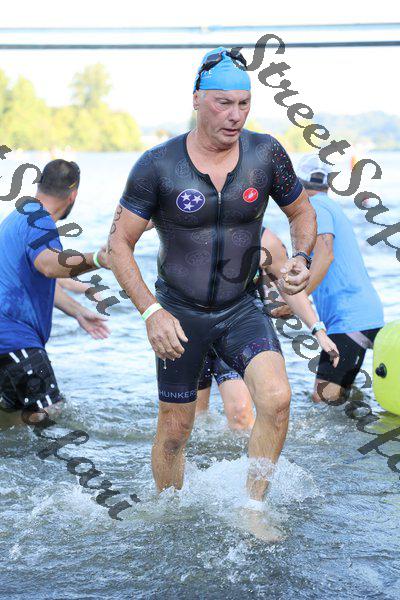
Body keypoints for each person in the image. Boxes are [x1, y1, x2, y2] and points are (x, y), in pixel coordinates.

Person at [108, 47, 317, 533]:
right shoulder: (157, 165)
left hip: (241, 307)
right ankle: (168, 518)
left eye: (244, 104)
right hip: (178, 315)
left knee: (277, 399)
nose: (235, 115)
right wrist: (151, 313)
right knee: (175, 432)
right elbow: (118, 244)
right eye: (224, 103)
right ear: (197, 100)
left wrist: (301, 259)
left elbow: (302, 212)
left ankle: (253, 509)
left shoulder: (266, 154)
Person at [196, 226, 339, 429]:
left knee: (240, 415)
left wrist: (318, 331)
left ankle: (253, 449)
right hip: (191, 326)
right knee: (194, 420)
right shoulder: (187, 226)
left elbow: (290, 288)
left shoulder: (265, 240)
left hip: (238, 326)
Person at [0, 159, 109, 424]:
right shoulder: (41, 221)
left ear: (40, 185)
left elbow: (35, 279)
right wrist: (97, 258)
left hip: (7, 340)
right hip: (14, 337)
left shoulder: (19, 216)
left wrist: (78, 312)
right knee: (52, 411)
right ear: (73, 195)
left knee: (15, 418)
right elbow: (49, 266)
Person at [293, 155, 384, 406]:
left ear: (296, 183)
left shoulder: (315, 207)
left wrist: (297, 299)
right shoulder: (329, 205)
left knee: (323, 399)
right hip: (361, 313)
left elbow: (326, 254)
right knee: (339, 399)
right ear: (329, 184)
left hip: (349, 318)